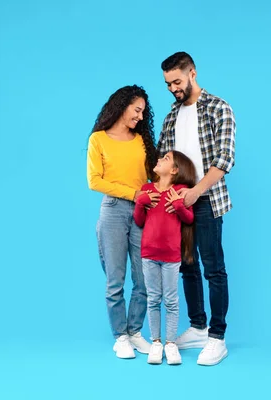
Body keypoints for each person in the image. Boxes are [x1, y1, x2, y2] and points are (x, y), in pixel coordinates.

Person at [156, 52, 236, 366]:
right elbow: (164, 157)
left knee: (213, 267)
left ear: (192, 72)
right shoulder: (171, 115)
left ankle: (217, 338)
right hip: (177, 201)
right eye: (168, 84)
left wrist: (195, 193)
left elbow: (224, 160)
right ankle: (198, 326)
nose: (173, 88)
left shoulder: (219, 107)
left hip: (206, 199)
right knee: (187, 265)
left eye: (177, 81)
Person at [87, 85, 157, 359]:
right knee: (115, 280)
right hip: (113, 211)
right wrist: (134, 194)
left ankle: (135, 331)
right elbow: (95, 181)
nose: (140, 117)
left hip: (143, 213)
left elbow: (154, 175)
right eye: (137, 110)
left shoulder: (141, 140)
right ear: (122, 105)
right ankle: (120, 336)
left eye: (143, 113)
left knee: (144, 280)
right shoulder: (98, 140)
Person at [133, 150, 196, 365]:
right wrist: (140, 202)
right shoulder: (147, 190)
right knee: (153, 298)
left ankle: (170, 344)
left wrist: (179, 205)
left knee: (171, 300)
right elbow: (139, 221)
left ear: (174, 170)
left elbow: (189, 218)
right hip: (149, 254)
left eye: (166, 159)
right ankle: (156, 342)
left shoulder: (181, 191)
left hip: (171, 256)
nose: (159, 159)